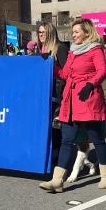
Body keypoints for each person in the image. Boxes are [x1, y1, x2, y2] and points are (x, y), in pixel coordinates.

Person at [40, 18, 106, 193]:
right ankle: (57, 181)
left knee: (97, 139)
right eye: (73, 32)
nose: (74, 35)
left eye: (77, 32)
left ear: (87, 32)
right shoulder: (73, 51)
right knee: (66, 140)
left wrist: (90, 84)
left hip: (88, 98)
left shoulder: (95, 49)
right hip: (70, 100)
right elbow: (65, 74)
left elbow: (103, 71)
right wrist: (49, 64)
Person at [37, 21, 70, 157]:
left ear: (50, 33)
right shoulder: (40, 50)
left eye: (44, 32)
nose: (41, 35)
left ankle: (57, 152)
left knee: (56, 126)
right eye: (39, 32)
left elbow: (67, 73)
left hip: (57, 93)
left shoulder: (60, 48)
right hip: (42, 93)